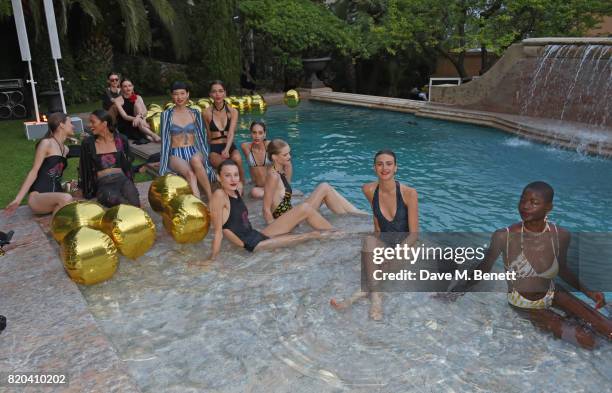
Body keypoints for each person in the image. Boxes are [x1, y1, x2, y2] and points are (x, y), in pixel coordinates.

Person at [471, 181, 611, 349]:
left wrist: (590, 292)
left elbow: (563, 270)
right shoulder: (504, 236)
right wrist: (455, 292)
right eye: (523, 200)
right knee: (587, 340)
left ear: (548, 207)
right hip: (524, 302)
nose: (525, 206)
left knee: (609, 331)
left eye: (534, 202)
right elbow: (484, 268)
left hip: (553, 292)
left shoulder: (560, 235)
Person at [195, 159, 342, 264]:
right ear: (219, 178)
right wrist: (211, 259)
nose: (233, 179)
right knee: (310, 235)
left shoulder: (236, 191)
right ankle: (340, 237)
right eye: (227, 175)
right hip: (252, 245)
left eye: (235, 174)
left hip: (258, 234)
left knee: (304, 209)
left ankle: (338, 233)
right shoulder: (219, 195)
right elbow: (219, 232)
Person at [331, 150, 419, 320]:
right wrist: (374, 253)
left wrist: (395, 253)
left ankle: (359, 295)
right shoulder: (369, 190)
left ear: (396, 168)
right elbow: (377, 227)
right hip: (386, 244)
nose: (384, 168)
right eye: (380, 164)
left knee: (379, 268)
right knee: (369, 241)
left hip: (407, 247)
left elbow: (414, 234)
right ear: (374, 168)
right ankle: (376, 298)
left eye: (389, 164)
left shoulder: (409, 193)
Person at [263, 139, 366, 223]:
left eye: (289, 153)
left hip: (292, 214)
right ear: (274, 157)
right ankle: (350, 219)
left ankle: (356, 213)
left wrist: (288, 166)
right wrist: (273, 228)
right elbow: (266, 208)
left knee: (326, 188)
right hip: (287, 221)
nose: (289, 157)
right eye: (285, 155)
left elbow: (286, 192)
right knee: (324, 187)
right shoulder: (273, 176)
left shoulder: (282, 170)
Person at [5, 113, 75, 216]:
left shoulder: (66, 149)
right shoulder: (46, 143)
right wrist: (18, 199)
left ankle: (56, 226)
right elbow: (34, 171)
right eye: (70, 123)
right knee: (67, 198)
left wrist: (66, 185)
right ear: (61, 125)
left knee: (74, 202)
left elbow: (54, 176)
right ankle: (54, 229)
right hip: (38, 197)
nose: (73, 126)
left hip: (55, 197)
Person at [159, 81, 214, 201]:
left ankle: (211, 197)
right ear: (172, 96)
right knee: (190, 174)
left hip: (193, 150)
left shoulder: (195, 113)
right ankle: (198, 204)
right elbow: (165, 141)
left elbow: (201, 137)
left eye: (182, 93)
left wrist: (206, 157)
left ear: (188, 94)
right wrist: (163, 167)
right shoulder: (166, 115)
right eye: (176, 94)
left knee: (196, 161)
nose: (179, 97)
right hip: (175, 153)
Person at [79, 109, 140, 207]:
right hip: (104, 184)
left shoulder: (121, 139)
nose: (90, 125)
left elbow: (128, 163)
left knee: (135, 203)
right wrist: (84, 188)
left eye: (93, 122)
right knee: (121, 203)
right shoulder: (88, 143)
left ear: (104, 124)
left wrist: (132, 182)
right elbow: (84, 167)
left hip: (122, 180)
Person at [203, 80, 245, 184]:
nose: (218, 94)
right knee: (226, 166)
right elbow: (208, 135)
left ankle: (242, 184)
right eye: (214, 91)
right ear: (210, 94)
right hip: (215, 148)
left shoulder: (233, 112)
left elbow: (231, 133)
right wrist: (206, 154)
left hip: (229, 146)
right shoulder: (206, 113)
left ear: (225, 93)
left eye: (221, 91)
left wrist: (226, 150)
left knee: (238, 159)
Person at [240, 121, 289, 199]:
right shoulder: (245, 147)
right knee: (254, 192)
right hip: (260, 188)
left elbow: (287, 162)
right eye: (254, 132)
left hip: (274, 184)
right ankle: (276, 194)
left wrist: (286, 183)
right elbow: (250, 167)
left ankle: (281, 191)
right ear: (250, 133)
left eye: (260, 133)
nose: (257, 136)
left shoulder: (270, 146)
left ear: (264, 134)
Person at [113, 78, 160, 143]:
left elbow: (145, 111)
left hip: (138, 122)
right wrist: (139, 119)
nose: (128, 88)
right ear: (121, 88)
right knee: (141, 123)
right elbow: (125, 116)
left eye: (130, 86)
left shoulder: (138, 97)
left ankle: (148, 135)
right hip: (126, 124)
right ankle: (152, 135)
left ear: (133, 86)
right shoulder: (118, 100)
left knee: (137, 104)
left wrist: (138, 117)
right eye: (125, 86)